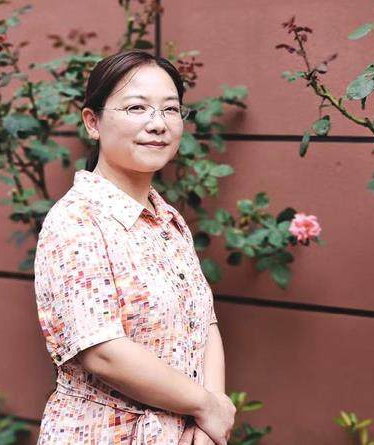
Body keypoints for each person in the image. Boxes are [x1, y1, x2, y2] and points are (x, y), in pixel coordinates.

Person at [33, 49, 236, 445]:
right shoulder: (77, 220)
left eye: (170, 109)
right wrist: (206, 405)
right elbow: (102, 350)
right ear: (92, 122)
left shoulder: (168, 219)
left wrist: (208, 421)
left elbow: (204, 323)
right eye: (136, 108)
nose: (158, 124)